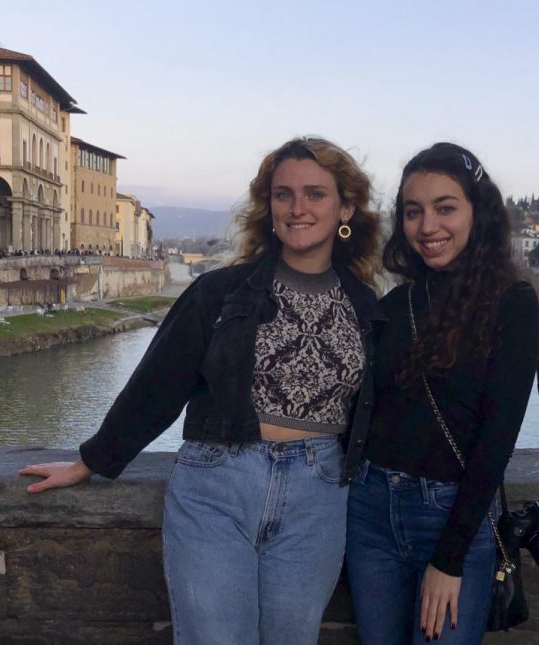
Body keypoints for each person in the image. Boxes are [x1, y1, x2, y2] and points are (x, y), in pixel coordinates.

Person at [19, 136, 384, 645]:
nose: (298, 208)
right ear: (269, 206)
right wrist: (91, 460)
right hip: (217, 486)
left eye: (315, 194)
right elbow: (157, 384)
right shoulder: (220, 293)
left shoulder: (365, 306)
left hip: (317, 497)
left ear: (345, 207)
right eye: (284, 194)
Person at [345, 142, 539, 644]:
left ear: (480, 212)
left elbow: (496, 441)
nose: (427, 226)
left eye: (445, 208)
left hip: (450, 517)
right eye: (414, 212)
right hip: (369, 512)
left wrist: (449, 557)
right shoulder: (396, 303)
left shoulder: (512, 304)